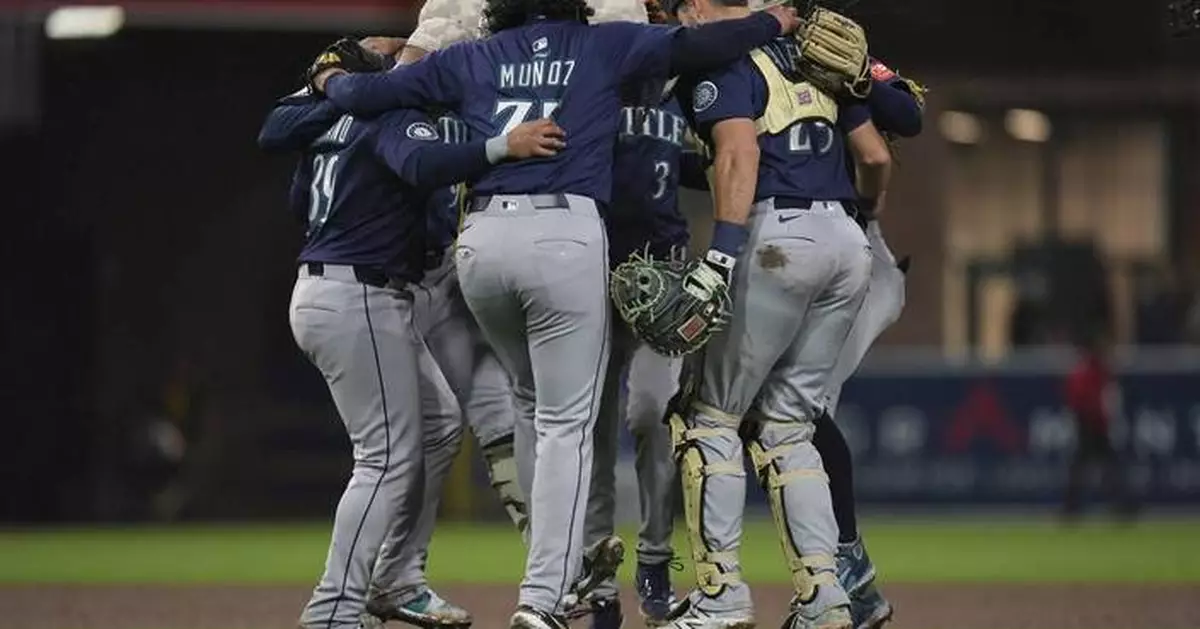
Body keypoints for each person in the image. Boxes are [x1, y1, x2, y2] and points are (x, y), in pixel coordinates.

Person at [309, 4, 802, 629]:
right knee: (569, 423)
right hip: (562, 235)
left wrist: (329, 75)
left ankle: (562, 580)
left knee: (528, 405)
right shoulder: (602, 45)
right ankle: (547, 596)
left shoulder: (472, 55)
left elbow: (366, 94)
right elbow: (703, 46)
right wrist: (775, 22)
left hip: (483, 244)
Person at [258, 38, 566, 629]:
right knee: (385, 458)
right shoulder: (390, 115)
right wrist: (502, 145)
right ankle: (334, 610)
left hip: (337, 288)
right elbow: (423, 165)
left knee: (441, 423)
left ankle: (397, 577)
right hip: (360, 296)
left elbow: (301, 197)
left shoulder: (330, 126)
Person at [665, 0, 890, 627]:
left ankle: (720, 596)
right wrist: (864, 223)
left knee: (708, 420)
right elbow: (875, 155)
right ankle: (825, 598)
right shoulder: (814, 62)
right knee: (789, 427)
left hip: (773, 238)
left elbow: (739, 153)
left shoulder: (725, 62)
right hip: (845, 242)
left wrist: (721, 254)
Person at [811, 55, 925, 629]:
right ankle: (848, 586)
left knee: (798, 414)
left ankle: (847, 577)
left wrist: (859, 71)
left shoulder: (829, 54)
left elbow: (906, 115)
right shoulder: (752, 54)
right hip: (841, 257)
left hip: (851, 254)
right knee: (793, 420)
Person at [1062, 330, 1138, 522]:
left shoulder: (1098, 371)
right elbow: (1078, 400)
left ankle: (1118, 505)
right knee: (1092, 466)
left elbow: (1106, 398)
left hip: (1096, 424)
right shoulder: (1086, 372)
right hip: (1088, 424)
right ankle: (1073, 506)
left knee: (1103, 466)